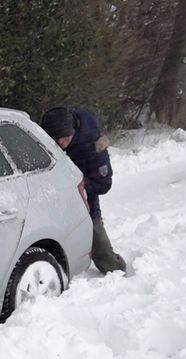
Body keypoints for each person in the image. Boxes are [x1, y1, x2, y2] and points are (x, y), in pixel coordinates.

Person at [40, 107, 127, 273]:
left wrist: (78, 186)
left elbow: (104, 184)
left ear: (73, 132)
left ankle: (116, 268)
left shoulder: (93, 147)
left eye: (64, 139)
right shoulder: (55, 129)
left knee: (100, 246)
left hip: (84, 195)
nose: (60, 144)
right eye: (55, 139)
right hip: (53, 192)